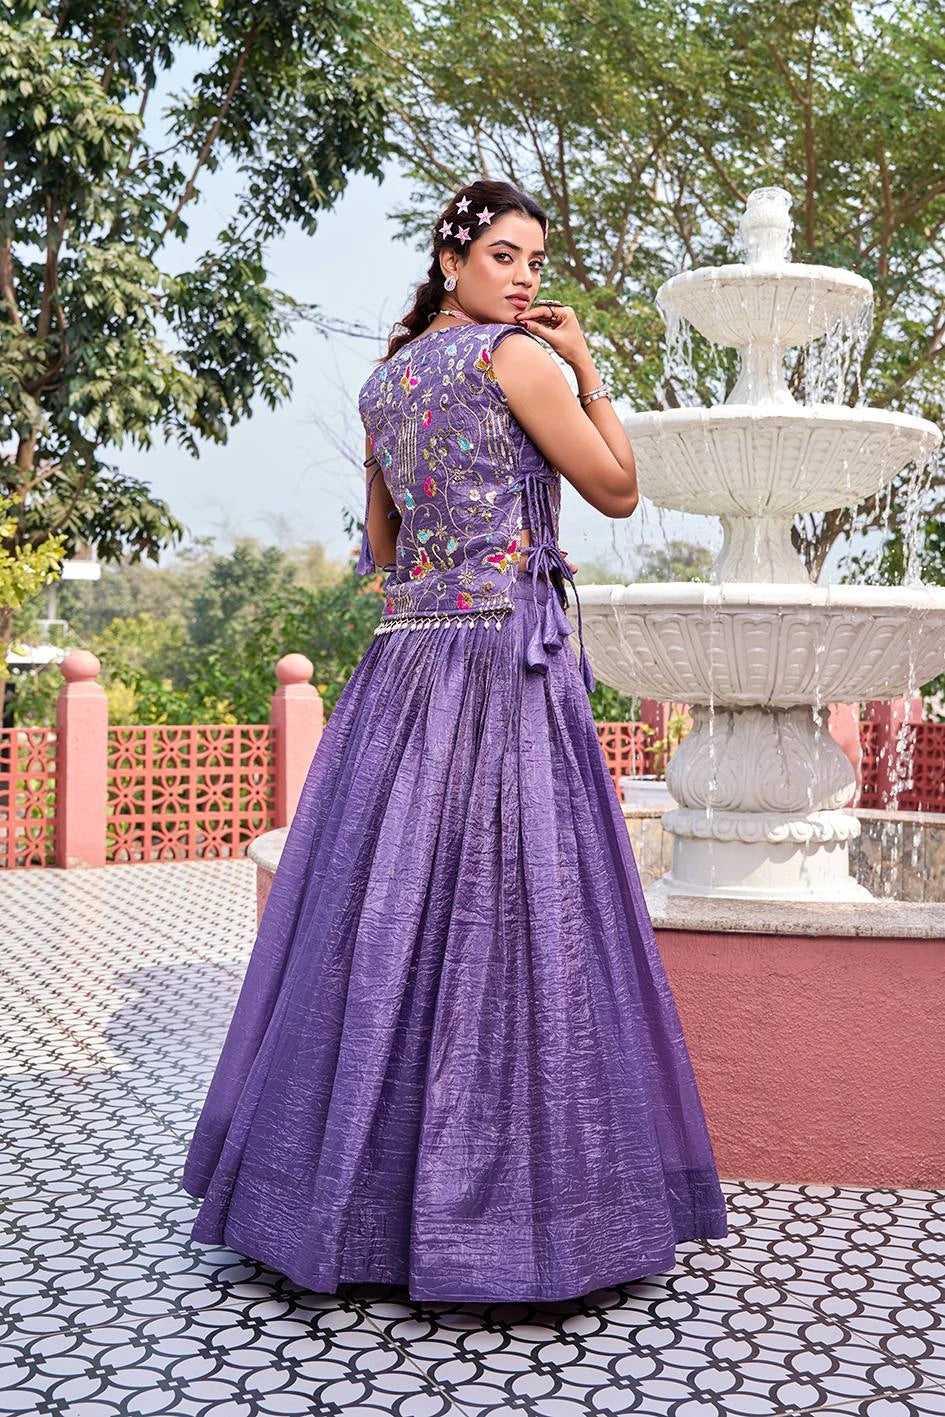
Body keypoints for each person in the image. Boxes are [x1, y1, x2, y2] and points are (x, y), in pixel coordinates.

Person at [181, 178, 728, 1302]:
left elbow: (385, 550)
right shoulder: (515, 359)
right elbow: (617, 491)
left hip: (405, 664)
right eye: (503, 256)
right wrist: (588, 372)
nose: (524, 279)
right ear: (452, 260)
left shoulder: (384, 384)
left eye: (534, 261)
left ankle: (342, 1200)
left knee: (378, 912)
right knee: (518, 910)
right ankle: (511, 1216)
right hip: (504, 661)